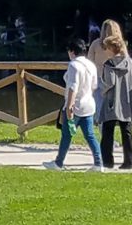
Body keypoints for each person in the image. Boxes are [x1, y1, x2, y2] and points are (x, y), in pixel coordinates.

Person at [43, 39, 104, 172]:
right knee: (90, 135)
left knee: (66, 135)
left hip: (76, 105)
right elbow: (94, 86)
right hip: (89, 104)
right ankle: (99, 163)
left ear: (72, 52)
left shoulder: (74, 65)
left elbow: (72, 87)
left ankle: (58, 163)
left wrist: (69, 106)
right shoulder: (91, 65)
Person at [97, 34, 132, 170]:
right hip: (126, 100)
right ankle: (129, 160)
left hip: (111, 101)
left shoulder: (109, 64)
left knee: (108, 131)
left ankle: (107, 161)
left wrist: (102, 89)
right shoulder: (130, 62)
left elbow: (109, 83)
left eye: (106, 47)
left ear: (111, 48)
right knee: (127, 131)